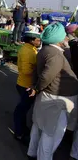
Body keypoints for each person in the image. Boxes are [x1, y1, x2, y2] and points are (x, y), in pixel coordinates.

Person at [27, 22, 78, 159]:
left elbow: (38, 73)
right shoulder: (55, 55)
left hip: (50, 97)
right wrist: (36, 87)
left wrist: (35, 87)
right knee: (52, 133)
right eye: (65, 37)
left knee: (38, 127)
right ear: (59, 39)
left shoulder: (45, 50)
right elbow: (47, 76)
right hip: (56, 99)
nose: (67, 38)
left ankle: (32, 153)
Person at [12, 33, 41, 142]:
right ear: (32, 40)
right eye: (38, 40)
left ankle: (23, 129)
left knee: (24, 109)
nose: (39, 42)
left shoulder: (31, 49)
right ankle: (19, 133)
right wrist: (37, 70)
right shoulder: (26, 51)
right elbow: (25, 70)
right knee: (21, 110)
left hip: (26, 84)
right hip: (26, 85)